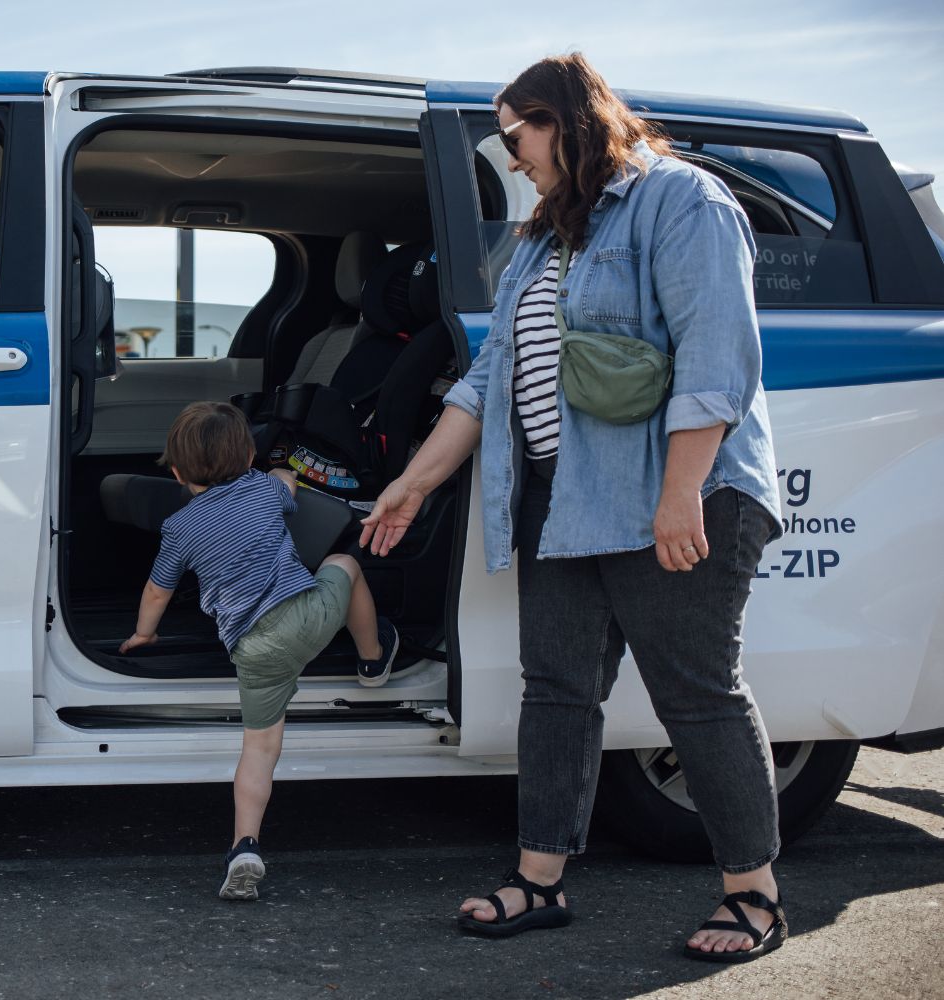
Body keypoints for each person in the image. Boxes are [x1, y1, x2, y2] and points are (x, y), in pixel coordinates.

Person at [360, 53, 787, 962]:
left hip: (674, 490)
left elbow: (718, 362)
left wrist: (680, 497)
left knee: (697, 696)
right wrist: (416, 480)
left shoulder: (683, 203)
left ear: (568, 120)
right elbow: (490, 379)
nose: (511, 158)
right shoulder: (547, 238)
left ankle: (754, 896)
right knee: (556, 693)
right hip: (560, 499)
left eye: (517, 135)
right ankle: (538, 880)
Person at [121, 400, 399, 900]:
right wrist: (279, 471)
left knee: (260, 750)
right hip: (309, 617)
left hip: (253, 649)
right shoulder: (266, 490)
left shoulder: (179, 528)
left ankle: (244, 846)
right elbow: (290, 487)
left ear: (179, 472)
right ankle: (372, 657)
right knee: (344, 562)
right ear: (248, 455)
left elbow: (157, 591)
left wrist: (144, 635)